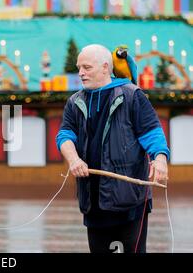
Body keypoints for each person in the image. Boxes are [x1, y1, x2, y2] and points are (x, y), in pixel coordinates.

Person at [56, 44, 169, 253]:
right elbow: (65, 135)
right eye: (79, 67)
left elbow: (153, 135)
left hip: (130, 202)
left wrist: (160, 159)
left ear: (106, 67)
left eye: (87, 67)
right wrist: (73, 159)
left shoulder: (132, 96)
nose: (81, 73)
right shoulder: (75, 101)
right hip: (93, 202)